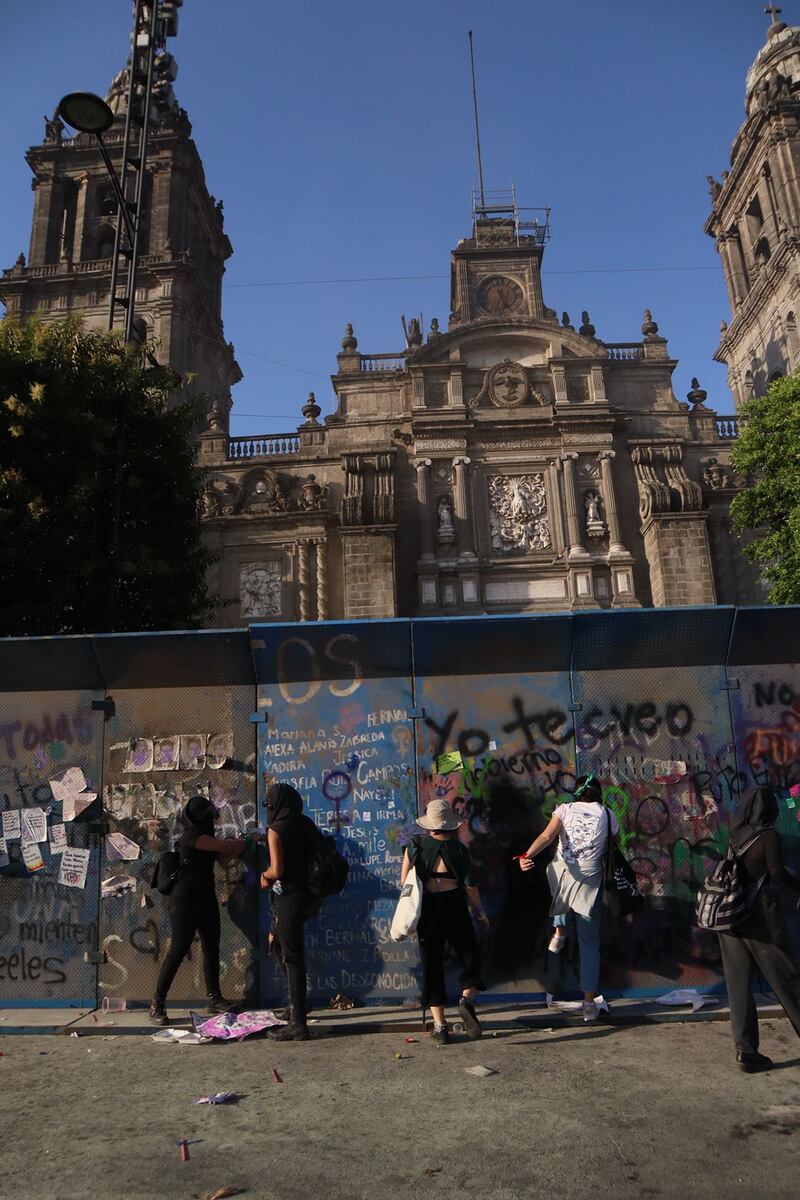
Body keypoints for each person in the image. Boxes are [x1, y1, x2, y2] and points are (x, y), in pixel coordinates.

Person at [519, 774, 619, 1022]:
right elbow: (615, 847)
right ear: (598, 793)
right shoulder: (608, 815)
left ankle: (560, 930)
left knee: (559, 886)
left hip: (565, 871)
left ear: (577, 793)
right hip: (590, 877)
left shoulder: (564, 809)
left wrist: (526, 855)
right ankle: (588, 1004)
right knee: (589, 942)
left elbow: (546, 837)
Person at [149, 795, 255, 1024]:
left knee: (211, 947)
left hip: (205, 897)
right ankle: (157, 1002)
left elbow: (224, 858)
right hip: (184, 899)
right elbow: (224, 847)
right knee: (178, 949)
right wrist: (245, 840)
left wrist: (238, 846)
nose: (212, 819)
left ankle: (214, 998)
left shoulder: (207, 838)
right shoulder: (192, 836)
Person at [717, 785, 800, 1072]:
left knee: (738, 987)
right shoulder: (767, 835)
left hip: (730, 921)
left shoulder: (735, 835)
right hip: (759, 921)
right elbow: (776, 872)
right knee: (788, 981)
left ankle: (746, 1051)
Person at [401, 797, 488, 1044]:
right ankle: (466, 999)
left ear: (429, 824)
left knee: (432, 964)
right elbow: (470, 886)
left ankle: (440, 1026)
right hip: (454, 904)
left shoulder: (414, 846)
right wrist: (480, 912)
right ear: (450, 824)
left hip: (427, 908)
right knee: (470, 954)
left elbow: (405, 881)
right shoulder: (460, 849)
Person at [261, 782, 321, 1042]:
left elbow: (277, 870)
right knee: (277, 942)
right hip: (310, 896)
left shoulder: (276, 829)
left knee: (292, 956)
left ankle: (298, 1023)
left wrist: (263, 877)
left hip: (289, 898)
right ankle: (298, 1004)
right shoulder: (305, 824)